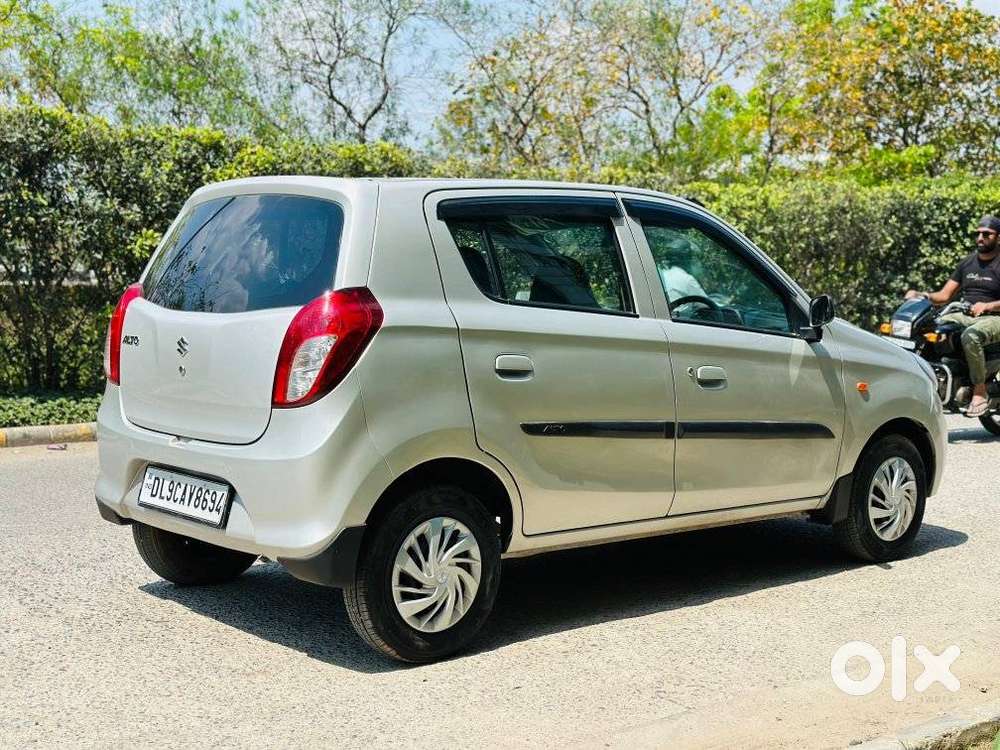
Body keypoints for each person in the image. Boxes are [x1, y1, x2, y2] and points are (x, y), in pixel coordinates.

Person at [905, 215, 1000, 416]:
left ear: (997, 237)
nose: (980, 238)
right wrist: (922, 295)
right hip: (964, 314)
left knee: (971, 335)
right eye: (978, 234)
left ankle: (980, 390)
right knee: (928, 329)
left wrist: (988, 305)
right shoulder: (967, 263)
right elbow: (944, 295)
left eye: (987, 234)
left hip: (993, 317)